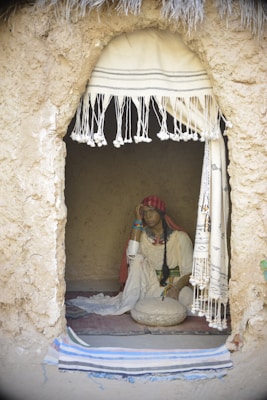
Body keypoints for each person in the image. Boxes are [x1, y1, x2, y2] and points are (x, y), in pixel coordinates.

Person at [67, 195, 193, 315]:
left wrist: (176, 289)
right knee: (138, 259)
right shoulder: (142, 235)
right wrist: (138, 220)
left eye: (152, 211)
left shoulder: (180, 237)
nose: (148, 216)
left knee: (188, 299)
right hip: (147, 287)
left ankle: (148, 305)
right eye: (145, 212)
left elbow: (190, 271)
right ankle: (132, 303)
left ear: (161, 213)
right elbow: (131, 257)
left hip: (174, 286)